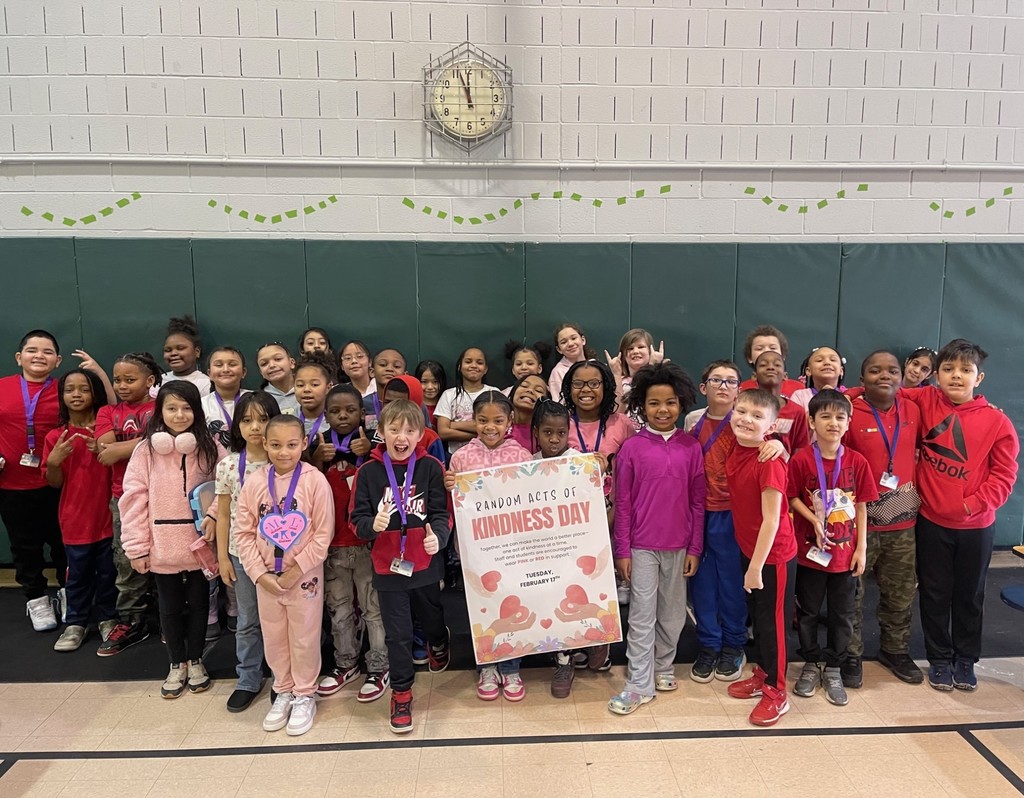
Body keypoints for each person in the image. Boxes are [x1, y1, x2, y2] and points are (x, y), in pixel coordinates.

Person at [900, 339, 1018, 691]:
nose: (956, 376)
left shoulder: (997, 421)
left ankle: (965, 659)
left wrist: (971, 505)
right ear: (936, 375)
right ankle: (939, 659)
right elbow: (884, 388)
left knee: (969, 596)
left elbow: (1004, 476)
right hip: (931, 523)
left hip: (975, 527)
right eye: (948, 369)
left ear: (978, 378)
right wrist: (849, 392)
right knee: (934, 593)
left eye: (965, 370)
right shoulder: (924, 399)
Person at [608, 363, 705, 715]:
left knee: (673, 614)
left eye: (670, 402)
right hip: (641, 547)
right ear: (642, 406)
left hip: (679, 546)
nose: (662, 410)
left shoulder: (691, 447)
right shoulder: (632, 448)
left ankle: (663, 666)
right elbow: (622, 503)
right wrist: (622, 550)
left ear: (681, 404)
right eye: (654, 403)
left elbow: (698, 502)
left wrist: (695, 547)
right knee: (641, 614)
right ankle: (638, 683)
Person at [350, 399, 451, 734]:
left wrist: (439, 536)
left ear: (421, 434)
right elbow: (356, 520)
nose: (401, 436)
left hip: (425, 561)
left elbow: (442, 513)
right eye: (394, 429)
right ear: (381, 432)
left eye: (410, 430)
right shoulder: (368, 472)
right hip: (387, 566)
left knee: (431, 616)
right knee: (399, 634)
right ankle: (402, 694)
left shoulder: (431, 467)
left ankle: (439, 641)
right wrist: (371, 526)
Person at [119, 382, 222, 698]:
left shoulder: (210, 447)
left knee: (201, 604)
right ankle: (176, 663)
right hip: (161, 545)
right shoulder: (146, 450)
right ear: (160, 412)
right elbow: (133, 499)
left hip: (200, 544)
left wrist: (214, 515)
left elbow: (226, 486)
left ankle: (196, 660)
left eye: (187, 408)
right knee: (170, 607)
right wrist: (137, 547)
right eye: (172, 408)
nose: (179, 415)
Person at [235, 414, 334, 736]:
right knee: (275, 637)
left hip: (303, 577)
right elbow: (243, 533)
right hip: (266, 577)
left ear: (304, 444)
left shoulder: (314, 481)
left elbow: (323, 534)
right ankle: (284, 690)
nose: (283, 452)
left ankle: (305, 693)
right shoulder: (254, 482)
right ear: (264, 444)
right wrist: (259, 574)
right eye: (276, 445)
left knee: (304, 636)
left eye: (292, 445)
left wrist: (296, 571)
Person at [787, 390, 877, 707]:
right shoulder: (801, 459)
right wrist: (813, 518)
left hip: (844, 556)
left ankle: (835, 666)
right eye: (825, 416)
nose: (833, 423)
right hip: (809, 555)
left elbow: (862, 507)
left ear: (849, 422)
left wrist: (861, 549)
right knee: (808, 612)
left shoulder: (857, 461)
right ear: (812, 421)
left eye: (840, 417)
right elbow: (792, 496)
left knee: (843, 615)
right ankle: (812, 662)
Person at [445, 391, 532, 702]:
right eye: (483, 420)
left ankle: (511, 667)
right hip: (476, 550)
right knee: (482, 607)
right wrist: (450, 486)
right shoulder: (461, 458)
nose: (490, 427)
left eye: (497, 421)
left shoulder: (522, 457)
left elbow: (530, 500)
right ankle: (487, 666)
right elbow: (454, 505)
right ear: (474, 421)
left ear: (510, 422)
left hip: (512, 548)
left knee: (512, 605)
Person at [844, 351, 924, 685]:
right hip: (859, 522)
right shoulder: (849, 411)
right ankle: (849, 654)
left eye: (892, 371)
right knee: (852, 594)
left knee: (900, 593)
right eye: (875, 371)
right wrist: (848, 395)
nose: (884, 376)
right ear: (862, 379)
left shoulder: (913, 410)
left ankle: (895, 650)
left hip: (902, 522)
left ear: (902, 378)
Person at [724, 388, 797, 727]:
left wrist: (755, 567)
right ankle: (764, 673)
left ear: (771, 425)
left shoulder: (769, 461)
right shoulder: (737, 446)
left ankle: (778, 691)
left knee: (773, 625)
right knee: (758, 619)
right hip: (749, 550)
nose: (746, 419)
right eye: (741, 411)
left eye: (757, 416)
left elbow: (772, 520)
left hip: (772, 557)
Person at [315, 384, 390, 703]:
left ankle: (379, 666)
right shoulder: (317, 445)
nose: (343, 416)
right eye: (335, 411)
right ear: (325, 415)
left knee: (373, 608)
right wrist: (315, 460)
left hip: (367, 543)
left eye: (350, 410)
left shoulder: (375, 446)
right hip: (331, 545)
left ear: (362, 414)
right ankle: (346, 663)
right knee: (340, 609)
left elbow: (388, 483)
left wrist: (369, 452)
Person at [214, 391, 280, 712]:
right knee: (248, 620)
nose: (255, 427)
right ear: (237, 425)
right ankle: (248, 678)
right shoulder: (228, 465)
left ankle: (283, 677)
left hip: (279, 557)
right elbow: (223, 514)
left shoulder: (284, 461)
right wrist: (222, 558)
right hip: (241, 557)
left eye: (263, 419)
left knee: (279, 619)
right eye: (247, 420)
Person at [683, 360, 749, 683]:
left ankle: (734, 644)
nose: (723, 386)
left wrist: (778, 445)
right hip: (698, 512)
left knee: (732, 584)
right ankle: (709, 644)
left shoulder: (746, 422)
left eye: (730, 381)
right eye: (716, 380)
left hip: (733, 514)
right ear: (703, 387)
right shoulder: (692, 421)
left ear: (739, 389)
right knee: (702, 583)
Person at [94, 352, 162, 655]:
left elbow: (166, 439)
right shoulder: (107, 411)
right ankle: (132, 619)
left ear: (149, 380)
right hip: (123, 496)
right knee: (126, 558)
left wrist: (130, 446)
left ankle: (168, 615)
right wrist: (149, 441)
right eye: (117, 379)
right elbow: (105, 450)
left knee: (166, 554)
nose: (121, 385)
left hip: (163, 494)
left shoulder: (162, 406)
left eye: (129, 379)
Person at [43, 368, 115, 652]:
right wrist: (53, 461)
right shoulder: (56, 436)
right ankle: (75, 623)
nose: (76, 395)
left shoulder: (107, 431)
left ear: (95, 393)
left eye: (84, 389)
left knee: (109, 572)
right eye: (70, 389)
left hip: (108, 517)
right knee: (78, 574)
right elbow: (54, 482)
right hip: (74, 519)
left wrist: (103, 449)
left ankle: (108, 618)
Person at [0, 330, 66, 631]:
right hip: (11, 485)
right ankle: (37, 599)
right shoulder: (3, 387)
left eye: (47, 351)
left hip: (57, 482)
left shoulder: (66, 389)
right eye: (32, 350)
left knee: (64, 544)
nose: (39, 355)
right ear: (19, 357)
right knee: (24, 547)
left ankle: (69, 593)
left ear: (57, 360)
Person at [435, 347, 500, 457]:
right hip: (456, 457)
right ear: (460, 367)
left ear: (485, 369)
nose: (474, 365)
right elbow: (443, 432)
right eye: (468, 361)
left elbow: (497, 426)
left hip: (489, 456)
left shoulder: (494, 393)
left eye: (479, 363)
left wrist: (453, 425)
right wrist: (480, 435)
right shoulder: (448, 395)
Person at [753, 351, 811, 455]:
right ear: (754, 375)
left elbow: (800, 449)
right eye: (763, 365)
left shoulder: (797, 411)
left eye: (777, 365)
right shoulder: (745, 407)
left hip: (784, 465)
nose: (771, 367)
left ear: (785, 375)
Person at [200, 346, 250, 448]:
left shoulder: (256, 400)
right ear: (209, 374)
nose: (226, 369)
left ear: (243, 372)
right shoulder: (201, 405)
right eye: (219, 365)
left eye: (232, 364)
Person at [738, 325, 804, 397]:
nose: (767, 351)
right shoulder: (740, 390)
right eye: (759, 348)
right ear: (749, 357)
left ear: (783, 356)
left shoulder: (799, 390)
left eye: (773, 348)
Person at [293, 354, 334, 467]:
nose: (306, 389)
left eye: (314, 384)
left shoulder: (336, 419)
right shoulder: (288, 421)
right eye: (300, 385)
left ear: (328, 387)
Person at [161, 315, 212, 396]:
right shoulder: (159, 381)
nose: (173, 353)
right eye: (168, 350)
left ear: (197, 352)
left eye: (180, 348)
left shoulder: (205, 384)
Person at [362, 348, 408, 434]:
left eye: (397, 366)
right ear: (372, 372)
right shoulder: (363, 404)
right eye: (383, 365)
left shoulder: (413, 404)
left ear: (405, 375)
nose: (389, 369)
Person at [548, 323, 593, 402]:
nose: (570, 344)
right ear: (559, 349)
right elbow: (559, 404)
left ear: (583, 340)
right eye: (563, 342)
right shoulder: (558, 372)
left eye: (573, 338)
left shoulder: (596, 366)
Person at [256, 342, 300, 417]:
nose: (272, 365)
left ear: (292, 363)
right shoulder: (259, 400)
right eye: (264, 363)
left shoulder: (309, 390)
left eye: (278, 359)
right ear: (261, 372)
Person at [508, 374, 549, 452]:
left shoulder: (546, 433)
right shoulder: (498, 425)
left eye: (538, 390)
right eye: (524, 386)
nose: (530, 390)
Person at [415, 359, 447, 429]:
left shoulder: (447, 405)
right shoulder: (413, 406)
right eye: (424, 382)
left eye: (435, 382)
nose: (430, 387)